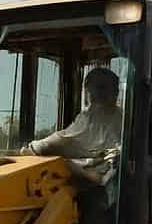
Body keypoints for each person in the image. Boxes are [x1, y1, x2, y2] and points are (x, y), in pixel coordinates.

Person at [21, 66, 123, 201]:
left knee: (61, 164)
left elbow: (61, 141)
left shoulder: (95, 115)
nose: (90, 94)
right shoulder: (122, 115)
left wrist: (32, 148)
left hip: (101, 186)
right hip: (107, 176)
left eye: (94, 89)